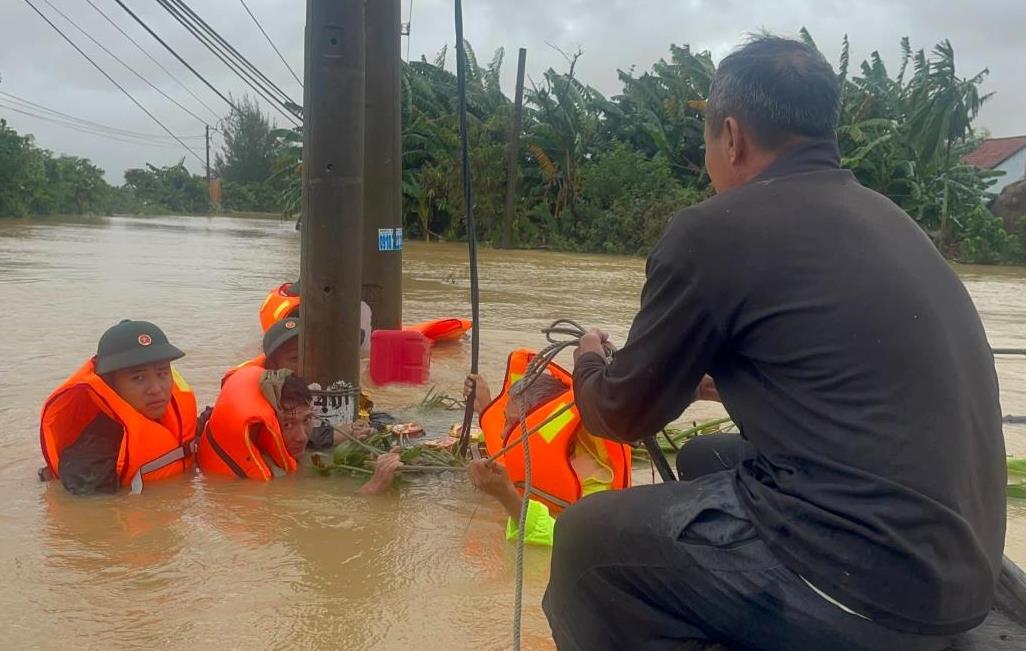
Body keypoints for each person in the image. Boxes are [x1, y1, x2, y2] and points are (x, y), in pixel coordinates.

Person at [545, 35, 1005, 651]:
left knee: (584, 540)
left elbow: (621, 415)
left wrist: (589, 359)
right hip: (958, 578)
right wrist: (735, 382)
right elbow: (841, 373)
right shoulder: (892, 220)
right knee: (707, 457)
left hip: (869, 591)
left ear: (731, 137)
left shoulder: (713, 230)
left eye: (708, 140)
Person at [463, 348, 632, 546]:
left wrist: (506, 496)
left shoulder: (596, 484)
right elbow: (507, 449)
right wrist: (484, 408)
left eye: (512, 423)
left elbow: (572, 541)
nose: (503, 433)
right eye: (505, 420)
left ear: (540, 427)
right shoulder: (540, 447)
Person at [39, 320, 197, 495]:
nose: (156, 389)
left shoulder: (172, 417)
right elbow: (83, 508)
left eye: (162, 374)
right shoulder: (94, 458)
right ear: (110, 384)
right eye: (138, 378)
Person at [196, 365, 399, 494]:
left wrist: (353, 435)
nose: (301, 437)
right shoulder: (245, 482)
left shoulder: (291, 443)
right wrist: (373, 488)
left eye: (307, 420)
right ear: (264, 426)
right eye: (287, 424)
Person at [219, 316, 374, 446]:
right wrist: (336, 434)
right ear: (272, 365)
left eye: (309, 355)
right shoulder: (261, 391)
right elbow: (279, 435)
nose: (306, 364)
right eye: (294, 358)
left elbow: (365, 409)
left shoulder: (322, 386)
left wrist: (363, 426)